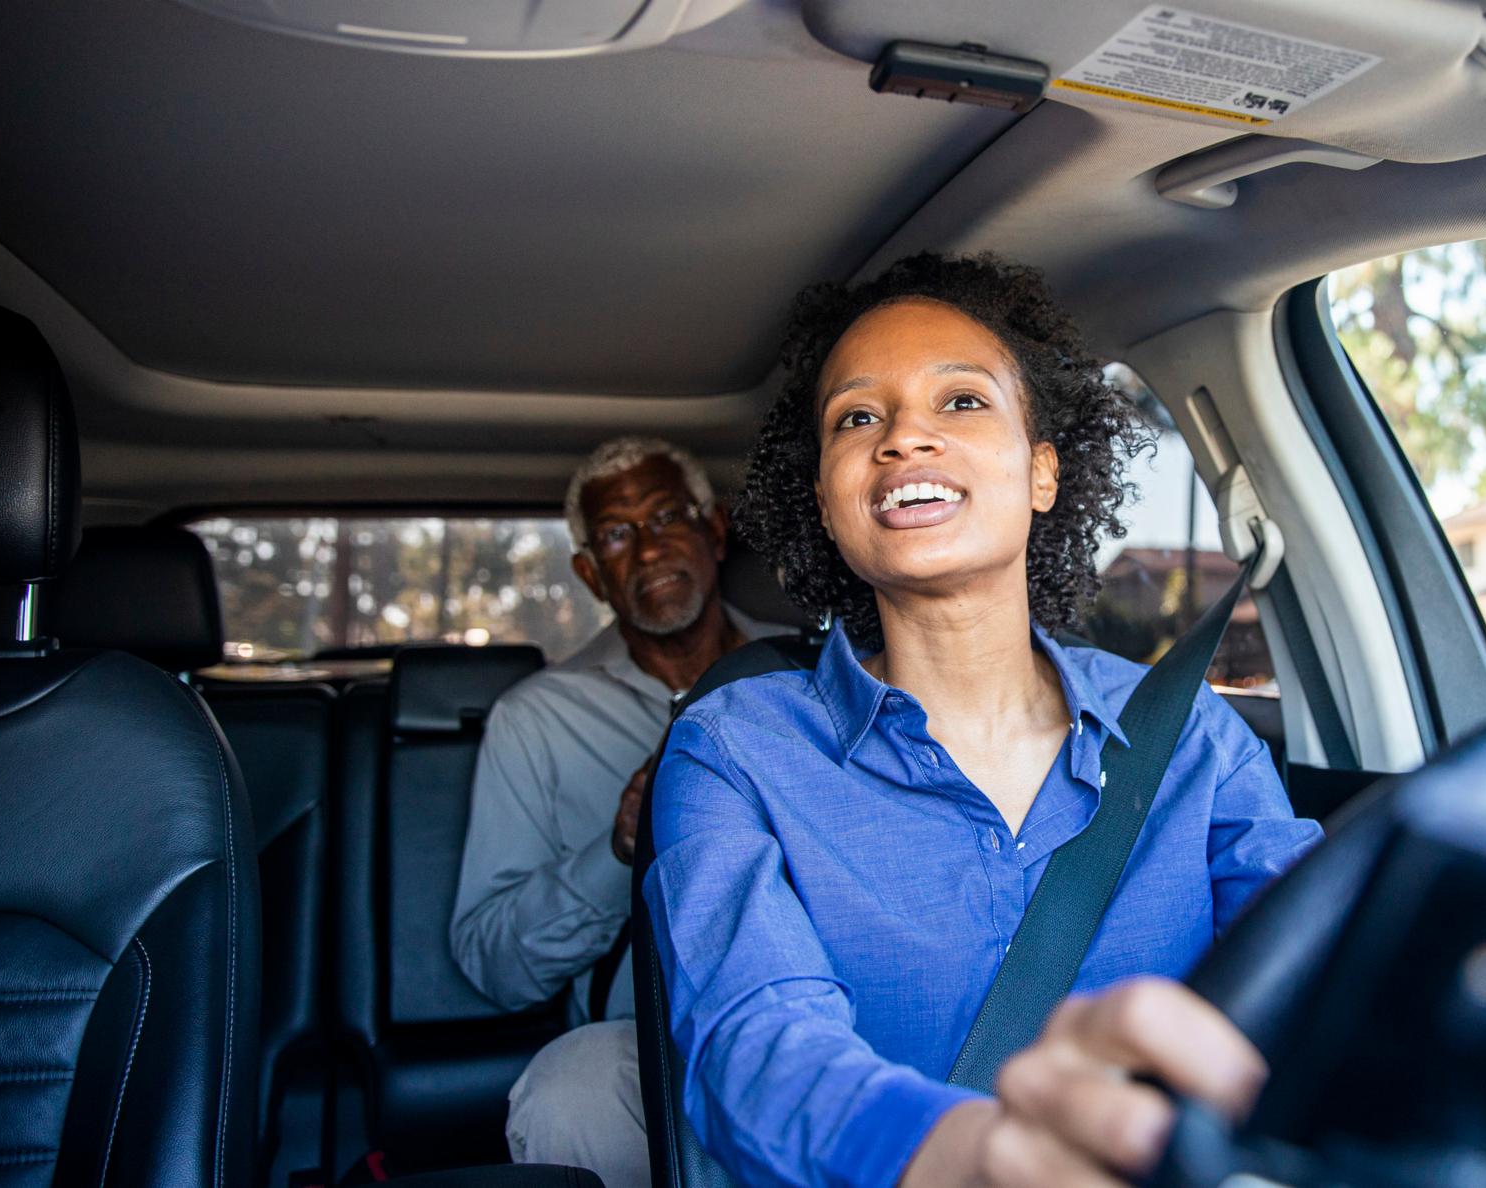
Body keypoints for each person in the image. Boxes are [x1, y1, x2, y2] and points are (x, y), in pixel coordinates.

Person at [643, 252, 1324, 1188]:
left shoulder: (1192, 738)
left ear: (1042, 472)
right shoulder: (733, 751)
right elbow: (753, 1044)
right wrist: (967, 1155)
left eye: (960, 401)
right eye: (857, 418)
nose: (903, 438)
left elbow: (1326, 966)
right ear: (826, 501)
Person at [450, 435, 782, 1187]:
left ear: (715, 529)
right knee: (572, 1085)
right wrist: (618, 850)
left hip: (836, 1005)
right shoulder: (534, 721)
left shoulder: (812, 674)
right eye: (615, 534)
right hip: (650, 1037)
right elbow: (491, 963)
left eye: (668, 515)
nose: (649, 547)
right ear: (589, 572)